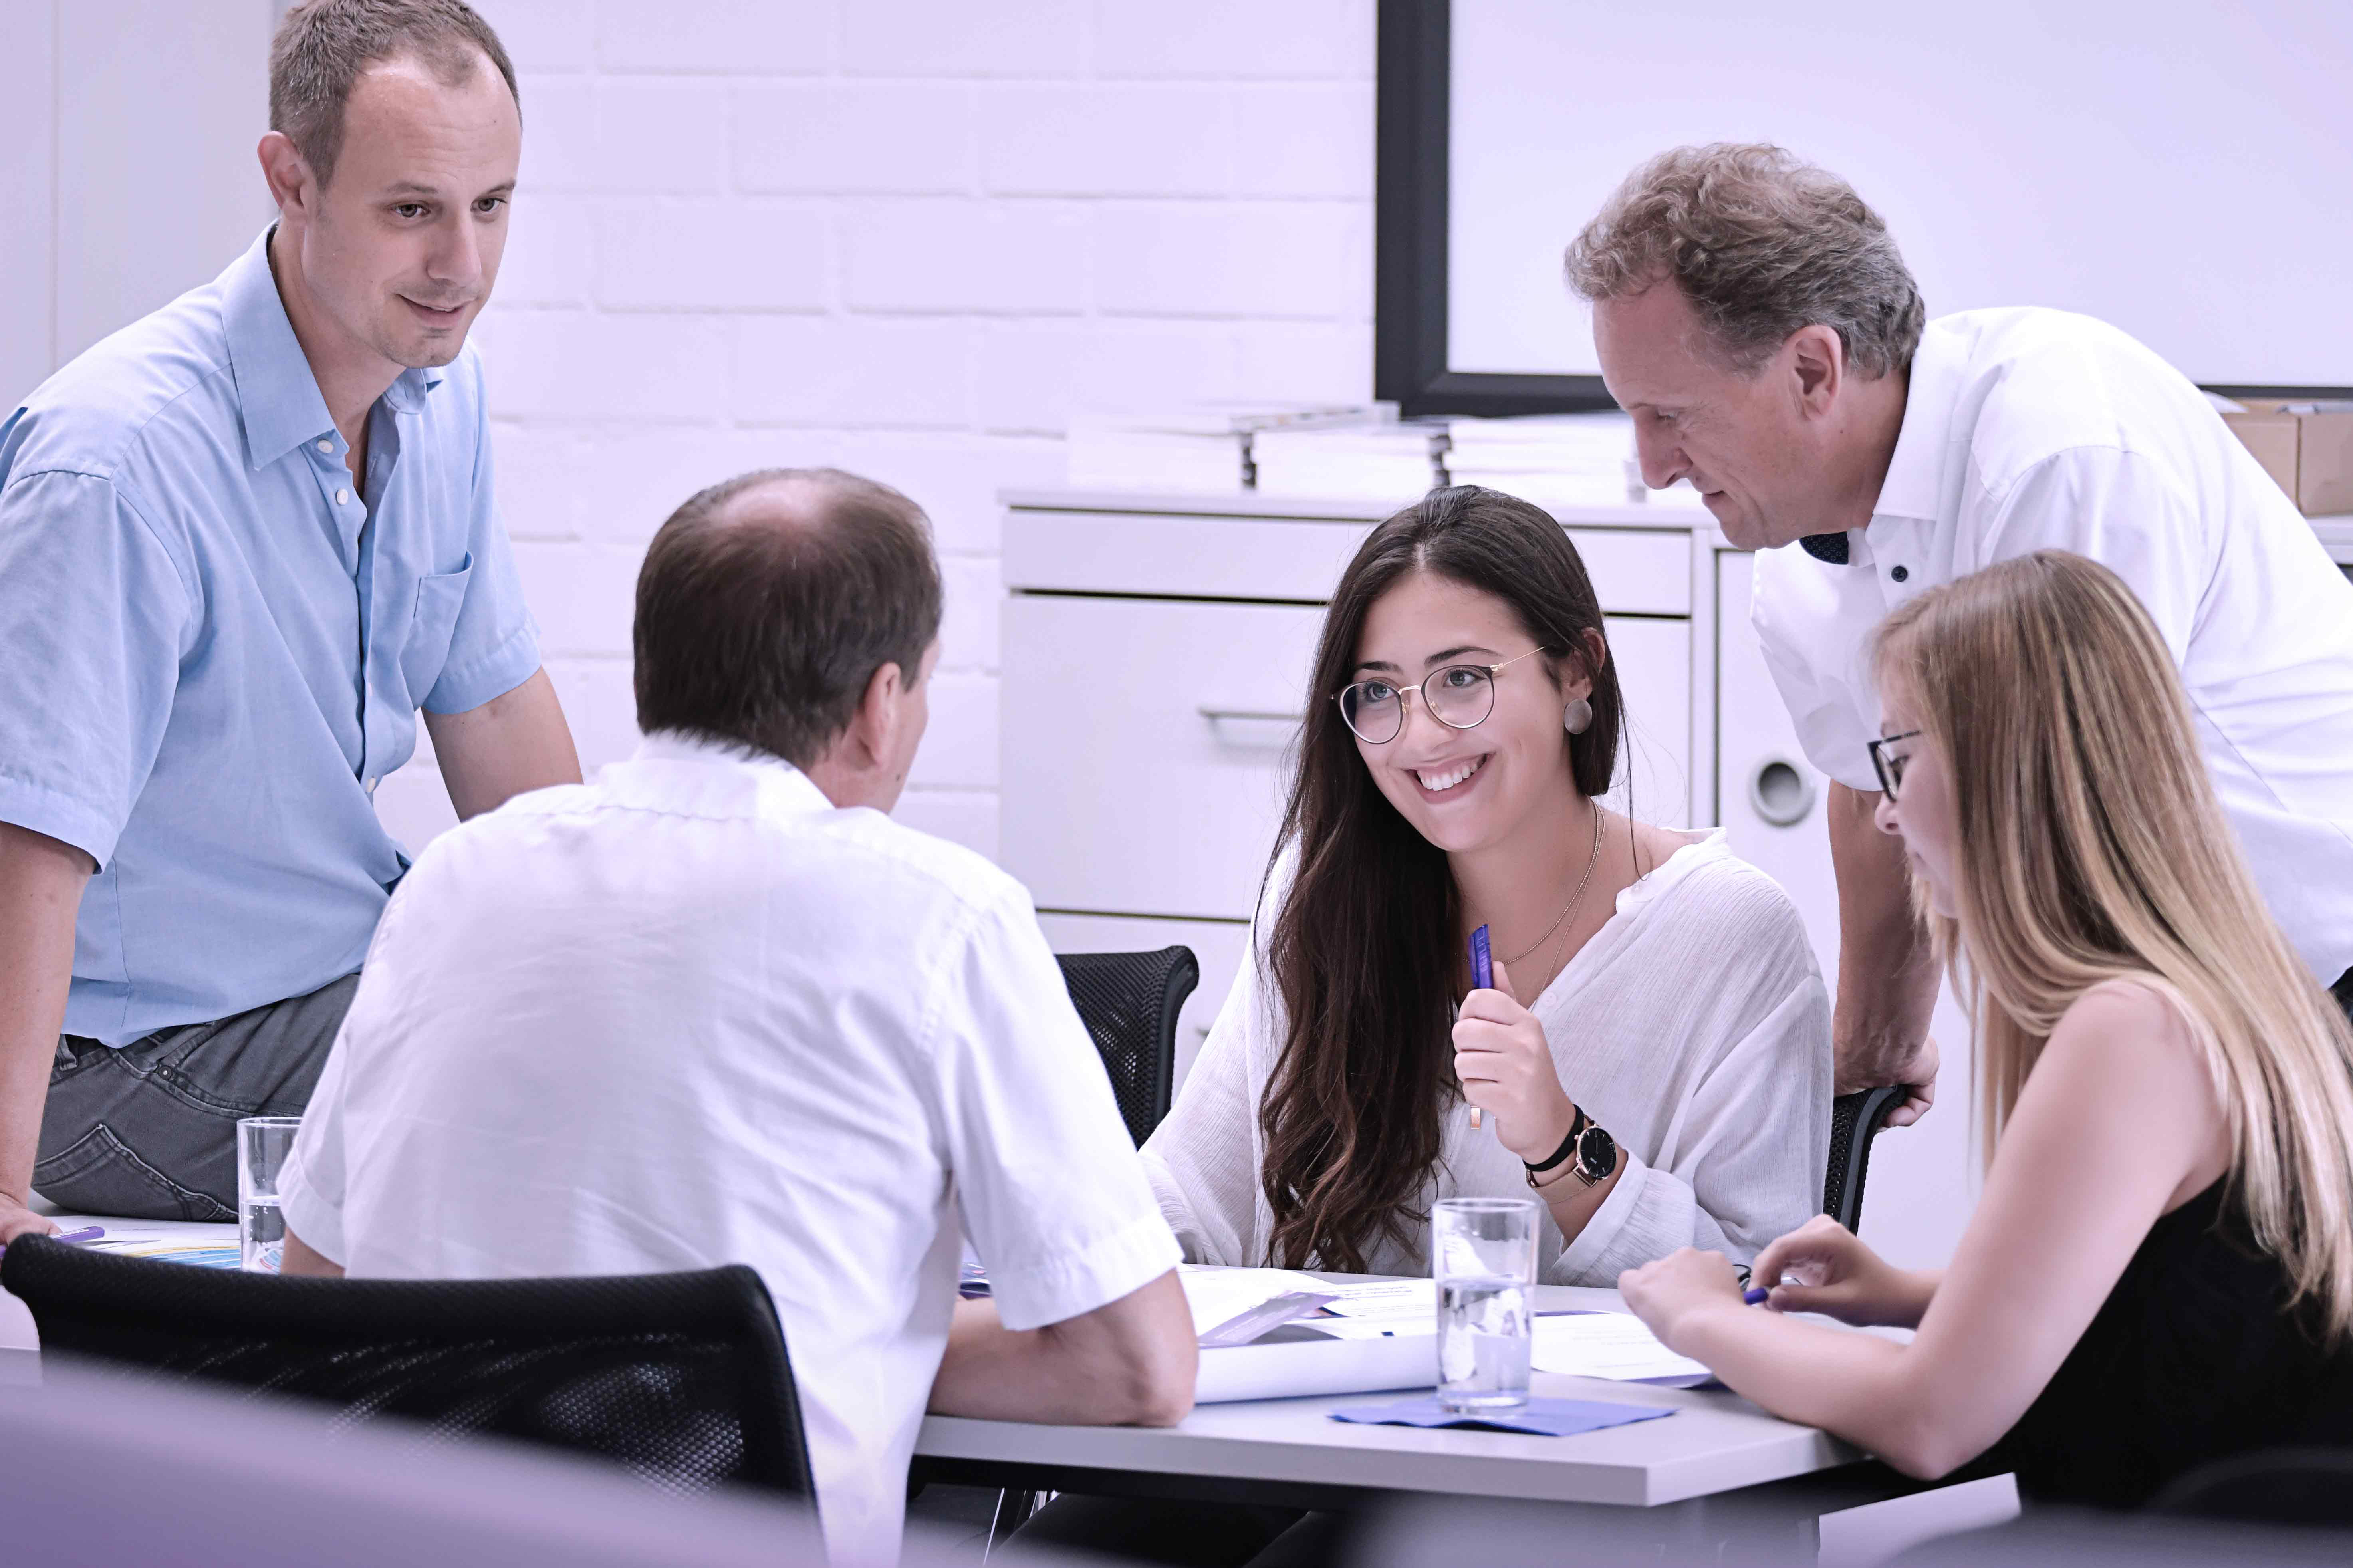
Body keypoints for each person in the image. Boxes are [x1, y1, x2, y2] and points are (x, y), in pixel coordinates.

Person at [276, 468, 1197, 1566]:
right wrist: (823, 1343)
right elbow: (1136, 1366)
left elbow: (317, 1289)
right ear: (879, 704)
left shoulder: (454, 877)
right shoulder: (941, 915)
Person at [1019, 486, 1831, 1565]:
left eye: (1462, 679)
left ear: (1576, 672)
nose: (1420, 735)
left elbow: (1754, 1302)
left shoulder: (1732, 933)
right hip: (1315, 1442)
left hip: (1568, 1493)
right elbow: (1193, 1207)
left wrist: (1562, 1144)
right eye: (1378, 694)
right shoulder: (1328, 900)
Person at [1567, 143, 2353, 1125]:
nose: (1652, 467)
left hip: (2320, 964)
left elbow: (2085, 831)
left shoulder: (2058, 453)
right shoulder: (1792, 561)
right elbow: (1870, 798)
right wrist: (1869, 1050)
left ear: (1814, 368)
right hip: (2173, 1010)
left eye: (1670, 415)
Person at [0, 0, 580, 1242]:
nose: (462, 269)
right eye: (413, 209)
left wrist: (630, 951)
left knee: (647, 1027)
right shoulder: (115, 462)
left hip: (325, 983)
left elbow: (490, 712)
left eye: (493, 206)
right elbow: (27, 836)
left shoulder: (437, 393)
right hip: (121, 1061)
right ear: (292, 178)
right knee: (573, 1103)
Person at [1619, 550, 2353, 1508]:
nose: (1883, 815)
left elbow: (1929, 1420)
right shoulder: (2235, 989)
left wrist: (1703, 1317)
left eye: (1898, 759)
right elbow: (2200, 1308)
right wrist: (1916, 1294)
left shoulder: (2133, 1031)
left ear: (2007, 767)